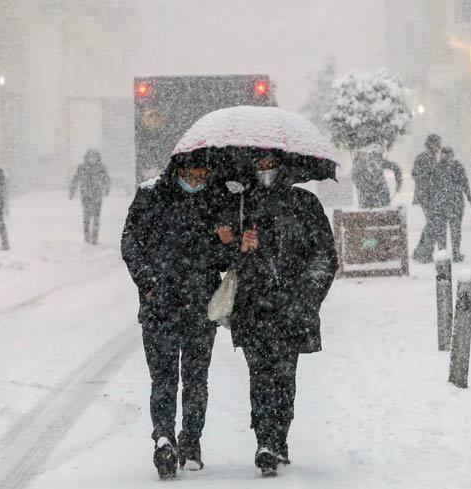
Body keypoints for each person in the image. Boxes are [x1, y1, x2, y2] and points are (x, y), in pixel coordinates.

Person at [121, 156, 235, 480]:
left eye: (202, 174)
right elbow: (130, 242)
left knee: (196, 379)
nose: (195, 180)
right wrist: (149, 283)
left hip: (201, 306)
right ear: (177, 171)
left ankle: (190, 440)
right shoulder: (150, 196)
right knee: (165, 379)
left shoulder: (217, 199)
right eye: (190, 174)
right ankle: (164, 438)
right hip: (161, 307)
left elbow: (225, 259)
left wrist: (226, 243)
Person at [230, 151, 338, 476]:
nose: (265, 171)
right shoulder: (240, 205)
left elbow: (325, 255)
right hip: (253, 307)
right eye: (259, 165)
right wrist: (238, 244)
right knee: (260, 375)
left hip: (291, 309)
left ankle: (279, 438)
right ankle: (265, 441)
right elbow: (218, 254)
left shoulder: (304, 204)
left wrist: (306, 296)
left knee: (284, 378)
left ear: (282, 166)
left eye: (270, 164)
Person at [434, 147, 471, 262]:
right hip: (454, 202)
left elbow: (431, 186)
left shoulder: (437, 167)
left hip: (443, 203)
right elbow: (464, 182)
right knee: (454, 230)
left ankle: (444, 253)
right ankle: (454, 253)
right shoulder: (456, 166)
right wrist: (468, 195)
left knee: (443, 231)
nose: (445, 156)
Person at [411, 134, 443, 262]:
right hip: (427, 196)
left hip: (428, 195)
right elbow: (415, 174)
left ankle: (422, 252)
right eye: (437, 144)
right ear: (431, 144)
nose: (439, 146)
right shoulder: (425, 157)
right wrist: (429, 177)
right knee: (433, 224)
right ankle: (423, 253)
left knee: (432, 224)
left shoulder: (431, 157)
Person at [69, 149, 111, 245]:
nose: (92, 159)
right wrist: (72, 191)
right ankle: (87, 237)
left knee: (96, 217)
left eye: (94, 157)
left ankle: (94, 238)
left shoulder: (101, 168)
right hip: (86, 195)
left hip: (97, 195)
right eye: (90, 157)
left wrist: (107, 188)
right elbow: (75, 179)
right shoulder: (82, 168)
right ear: (87, 158)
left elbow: (106, 179)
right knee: (87, 217)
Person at [351, 144, 403, 208]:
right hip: (377, 191)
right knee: (383, 211)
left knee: (368, 212)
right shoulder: (378, 162)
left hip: (368, 192)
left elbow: (354, 176)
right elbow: (395, 168)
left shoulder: (360, 164)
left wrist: (359, 185)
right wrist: (399, 182)